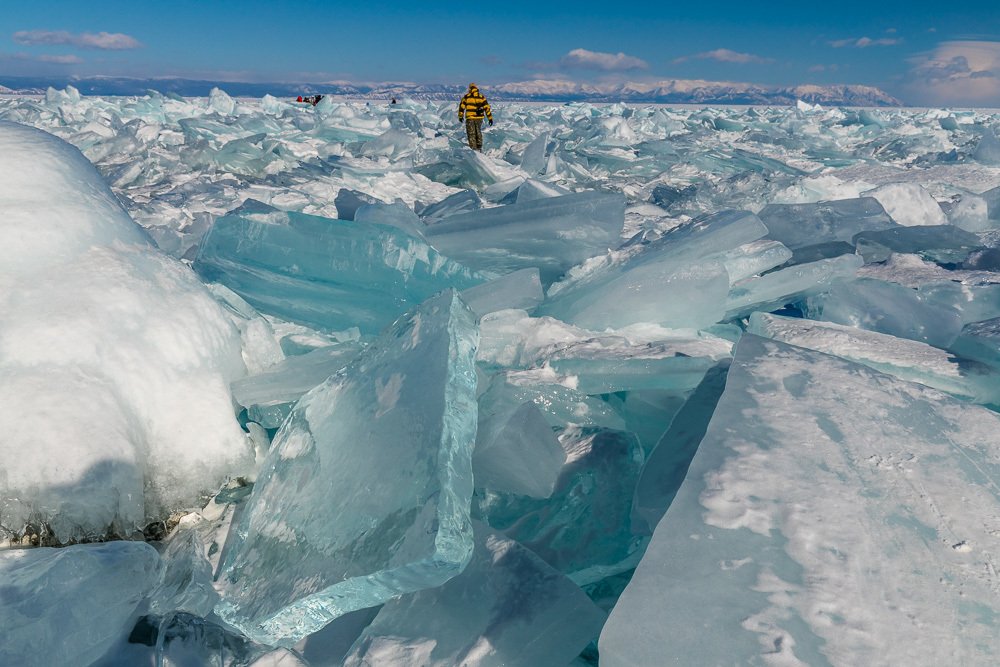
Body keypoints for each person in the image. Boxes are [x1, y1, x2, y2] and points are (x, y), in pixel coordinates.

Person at [457, 83, 493, 151]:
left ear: (470, 89)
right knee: (478, 132)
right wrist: (490, 118)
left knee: (471, 133)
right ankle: (479, 147)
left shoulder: (466, 97)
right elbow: (487, 108)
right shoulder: (481, 97)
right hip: (479, 118)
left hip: (470, 118)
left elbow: (461, 107)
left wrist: (460, 116)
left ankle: (473, 149)